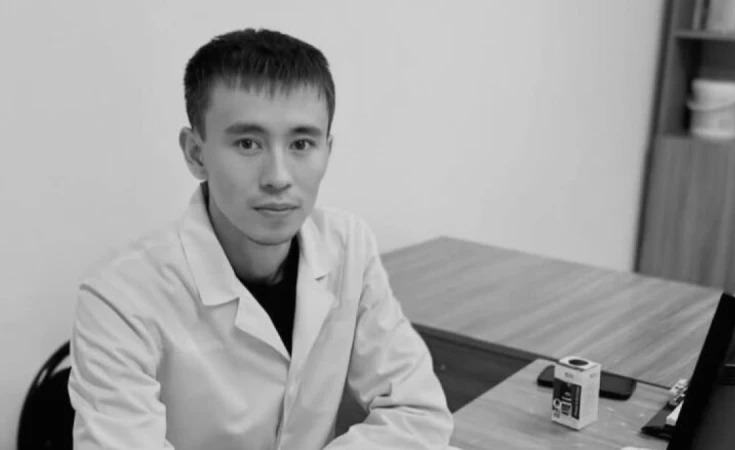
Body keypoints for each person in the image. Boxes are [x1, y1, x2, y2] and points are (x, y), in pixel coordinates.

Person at [68, 28, 454, 449]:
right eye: (248, 143)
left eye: (301, 143)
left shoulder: (347, 246)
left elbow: (417, 412)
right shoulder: (119, 297)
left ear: (328, 150)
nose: (278, 178)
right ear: (196, 154)